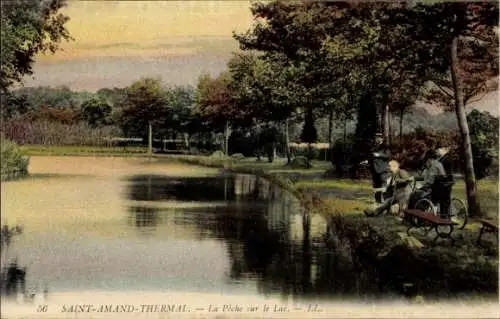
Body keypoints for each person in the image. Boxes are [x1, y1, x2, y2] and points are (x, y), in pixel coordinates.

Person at [368, 133, 391, 203]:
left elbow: (388, 156)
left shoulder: (385, 146)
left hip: (382, 170)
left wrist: (379, 155)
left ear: (382, 139)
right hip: (374, 170)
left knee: (383, 187)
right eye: (375, 137)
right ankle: (377, 202)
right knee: (376, 187)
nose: (376, 138)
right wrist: (367, 161)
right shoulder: (374, 146)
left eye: (378, 137)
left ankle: (386, 203)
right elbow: (371, 156)